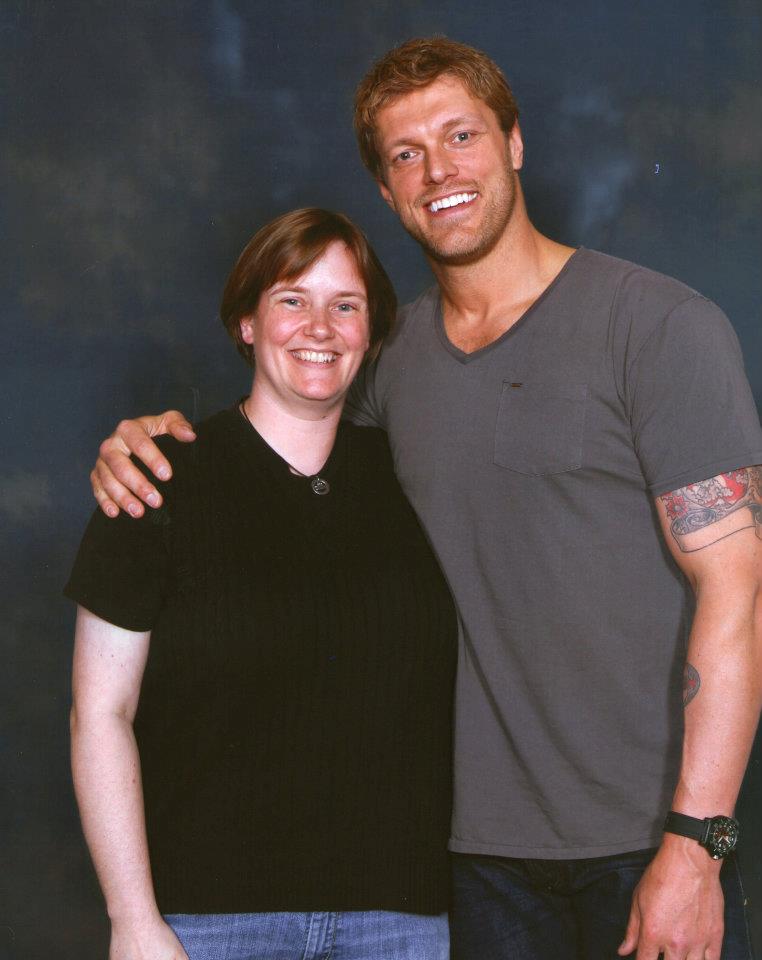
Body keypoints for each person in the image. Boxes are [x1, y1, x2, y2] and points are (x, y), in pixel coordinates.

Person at [88, 39, 762, 960]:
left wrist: (697, 843)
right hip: (468, 864)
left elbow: (739, 594)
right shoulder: (386, 365)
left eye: (461, 136)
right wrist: (147, 443)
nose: (438, 170)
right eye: (407, 154)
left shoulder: (658, 327)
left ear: (514, 143)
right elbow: (277, 437)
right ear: (386, 188)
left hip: (646, 842)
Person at [67, 207, 457, 960]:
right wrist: (133, 920)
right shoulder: (157, 479)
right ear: (246, 322)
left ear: (371, 333)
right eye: (291, 299)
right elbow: (100, 715)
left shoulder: (408, 479)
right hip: (208, 923)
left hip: (398, 922)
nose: (320, 327)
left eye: (346, 306)